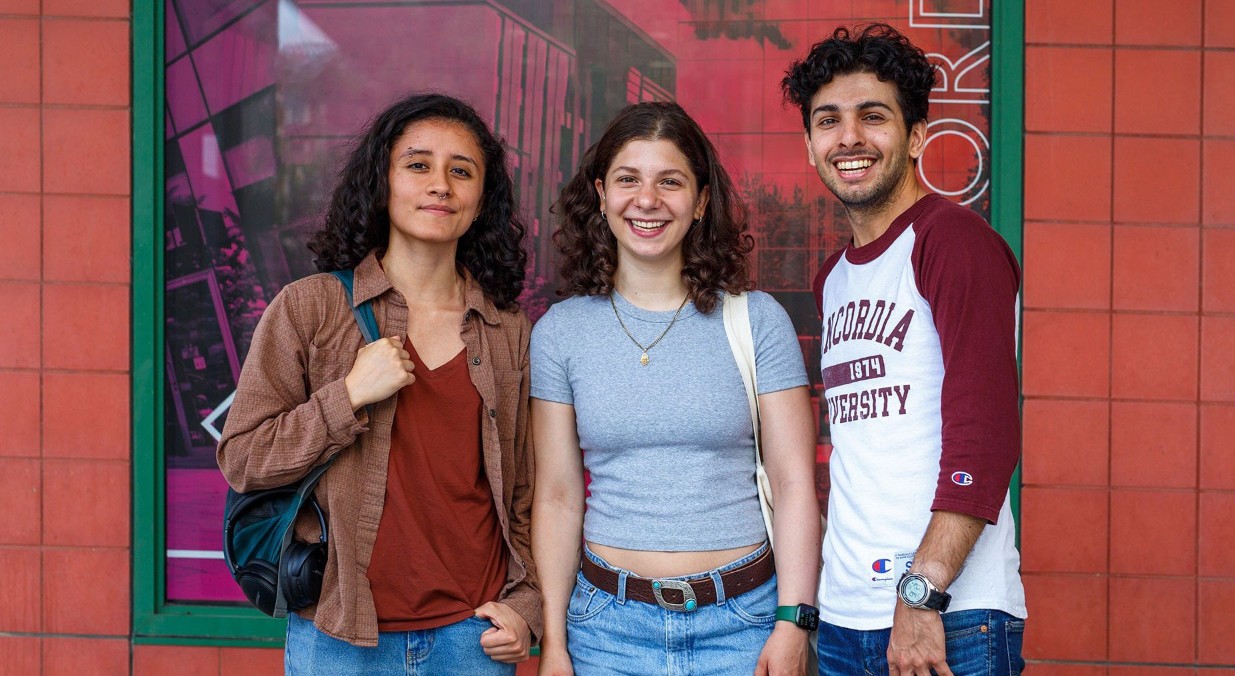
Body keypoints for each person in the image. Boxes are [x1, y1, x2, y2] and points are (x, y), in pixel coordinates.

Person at [217, 93, 540, 674]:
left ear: (480, 198)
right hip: (340, 635)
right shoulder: (309, 308)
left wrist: (527, 607)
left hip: (473, 637)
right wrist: (347, 397)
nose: (439, 184)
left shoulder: (505, 328)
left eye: (460, 171)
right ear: (382, 181)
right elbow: (243, 458)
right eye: (417, 165)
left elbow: (525, 492)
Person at [529, 101, 822, 676]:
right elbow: (559, 494)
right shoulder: (560, 332)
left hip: (744, 625)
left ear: (701, 200)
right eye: (628, 180)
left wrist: (792, 620)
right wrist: (556, 643)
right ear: (601, 194)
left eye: (671, 181)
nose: (647, 200)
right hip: (606, 629)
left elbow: (792, 482)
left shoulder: (757, 321)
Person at [780, 23, 1026, 675]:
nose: (849, 138)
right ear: (810, 146)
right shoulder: (832, 278)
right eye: (828, 121)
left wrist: (923, 593)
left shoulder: (954, 242)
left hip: (952, 616)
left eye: (873, 116)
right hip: (845, 618)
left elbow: (987, 436)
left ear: (916, 135)